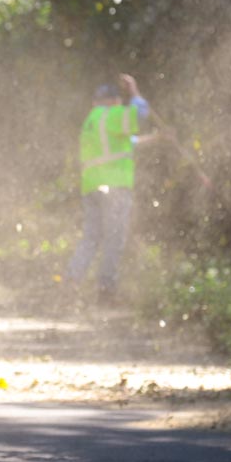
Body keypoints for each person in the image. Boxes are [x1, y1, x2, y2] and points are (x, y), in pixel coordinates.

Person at [62, 73, 156, 305]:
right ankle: (106, 290)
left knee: (91, 237)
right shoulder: (113, 115)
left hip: (92, 186)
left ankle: (71, 281)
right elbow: (139, 114)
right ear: (114, 101)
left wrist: (156, 138)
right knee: (114, 238)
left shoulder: (92, 121)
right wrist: (134, 91)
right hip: (114, 187)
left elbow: (125, 141)